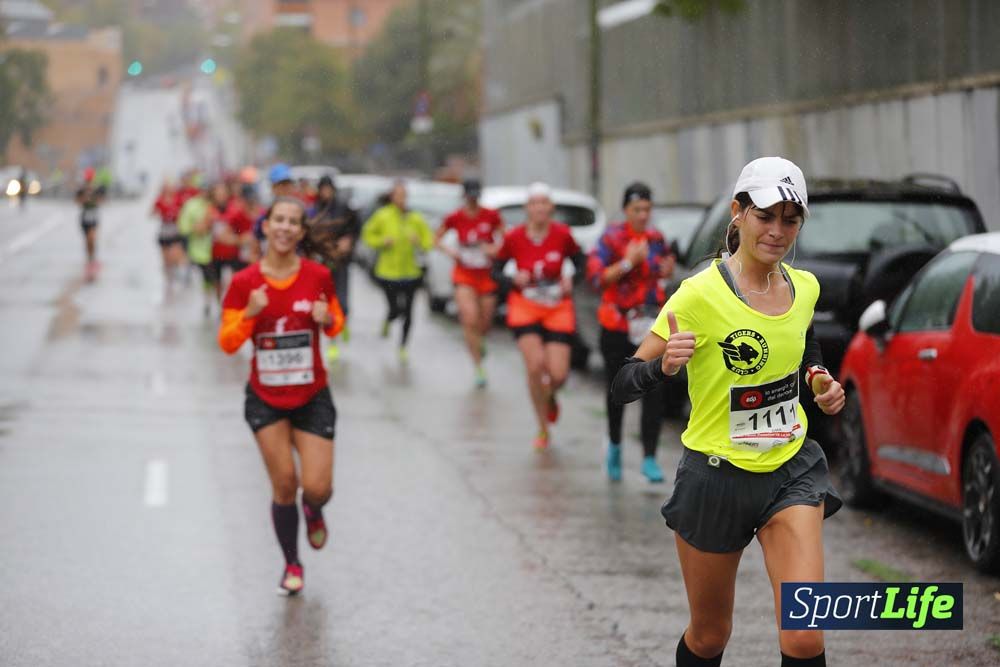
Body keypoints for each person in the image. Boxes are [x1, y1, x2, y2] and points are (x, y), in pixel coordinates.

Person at [611, 157, 845, 667]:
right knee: (710, 635)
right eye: (766, 216)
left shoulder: (804, 287)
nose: (778, 231)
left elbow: (806, 349)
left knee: (806, 635)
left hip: (790, 471)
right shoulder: (699, 294)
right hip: (714, 477)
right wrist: (663, 368)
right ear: (738, 213)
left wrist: (818, 382)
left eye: (791, 219)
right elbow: (622, 383)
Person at [218, 196, 345, 596]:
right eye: (279, 220)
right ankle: (292, 564)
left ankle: (315, 510)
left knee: (318, 486)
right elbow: (226, 341)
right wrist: (250, 314)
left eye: (294, 222)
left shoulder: (318, 276)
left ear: (302, 232)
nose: (286, 227)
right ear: (266, 227)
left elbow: (336, 322)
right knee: (285, 484)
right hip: (266, 397)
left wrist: (328, 320)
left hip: (311, 395)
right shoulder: (244, 283)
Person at [588, 182, 677, 483]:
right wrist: (628, 262)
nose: (642, 215)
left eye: (647, 209)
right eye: (637, 209)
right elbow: (596, 279)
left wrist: (666, 269)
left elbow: (663, 270)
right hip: (616, 324)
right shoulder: (611, 238)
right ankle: (614, 446)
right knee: (618, 390)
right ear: (626, 209)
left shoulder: (656, 238)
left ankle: (649, 457)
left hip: (650, 325)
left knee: (654, 389)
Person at [494, 182, 582, 450]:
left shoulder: (563, 234)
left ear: (551, 207)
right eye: (535, 203)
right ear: (527, 208)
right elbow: (495, 270)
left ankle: (551, 395)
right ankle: (543, 428)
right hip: (525, 305)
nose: (540, 208)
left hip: (556, 307)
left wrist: (571, 278)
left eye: (545, 203)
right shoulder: (514, 237)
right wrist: (512, 278)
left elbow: (581, 261)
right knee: (534, 366)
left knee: (558, 373)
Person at [436, 178, 504, 387]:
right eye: (470, 196)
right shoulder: (455, 217)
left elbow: (505, 238)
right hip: (464, 274)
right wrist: (452, 252)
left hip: (486, 275)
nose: (473, 200)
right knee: (469, 317)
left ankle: (480, 342)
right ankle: (478, 368)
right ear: (464, 196)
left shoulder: (491, 216)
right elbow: (436, 239)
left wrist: (493, 250)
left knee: (484, 322)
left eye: (476, 195)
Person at [361, 180, 434, 361]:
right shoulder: (383, 215)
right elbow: (367, 234)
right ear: (392, 197)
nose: (401, 199)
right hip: (388, 273)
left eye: (404, 195)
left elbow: (429, 241)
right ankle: (388, 320)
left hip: (411, 272)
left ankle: (403, 346)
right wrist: (381, 242)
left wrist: (419, 242)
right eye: (398, 195)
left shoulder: (415, 218)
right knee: (395, 309)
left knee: (409, 312)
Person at [305, 174, 360, 362]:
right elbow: (308, 236)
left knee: (343, 303)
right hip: (321, 264)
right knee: (324, 304)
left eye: (329, 189)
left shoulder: (344, 209)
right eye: (323, 189)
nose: (326, 193)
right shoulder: (313, 211)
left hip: (341, 263)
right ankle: (332, 339)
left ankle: (342, 323)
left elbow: (355, 228)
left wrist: (349, 242)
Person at [176, 183, 214, 316]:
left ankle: (218, 303)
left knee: (217, 278)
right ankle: (208, 302)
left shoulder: (217, 203)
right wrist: (196, 229)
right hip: (200, 251)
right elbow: (183, 227)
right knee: (207, 278)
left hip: (221, 249)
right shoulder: (191, 205)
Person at [152, 180, 186, 291]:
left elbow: (184, 210)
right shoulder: (159, 200)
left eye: (170, 187)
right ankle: (169, 278)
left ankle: (179, 272)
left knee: (176, 254)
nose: (168, 189)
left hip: (175, 229)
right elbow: (151, 213)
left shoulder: (178, 199)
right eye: (166, 187)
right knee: (165, 258)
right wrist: (157, 211)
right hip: (164, 230)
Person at [75, 167, 106, 281]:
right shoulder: (82, 188)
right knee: (87, 240)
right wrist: (84, 199)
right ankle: (89, 257)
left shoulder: (97, 188)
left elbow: (102, 200)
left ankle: (93, 257)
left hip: (93, 216)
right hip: (84, 217)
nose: (89, 181)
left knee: (92, 237)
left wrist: (94, 198)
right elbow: (77, 201)